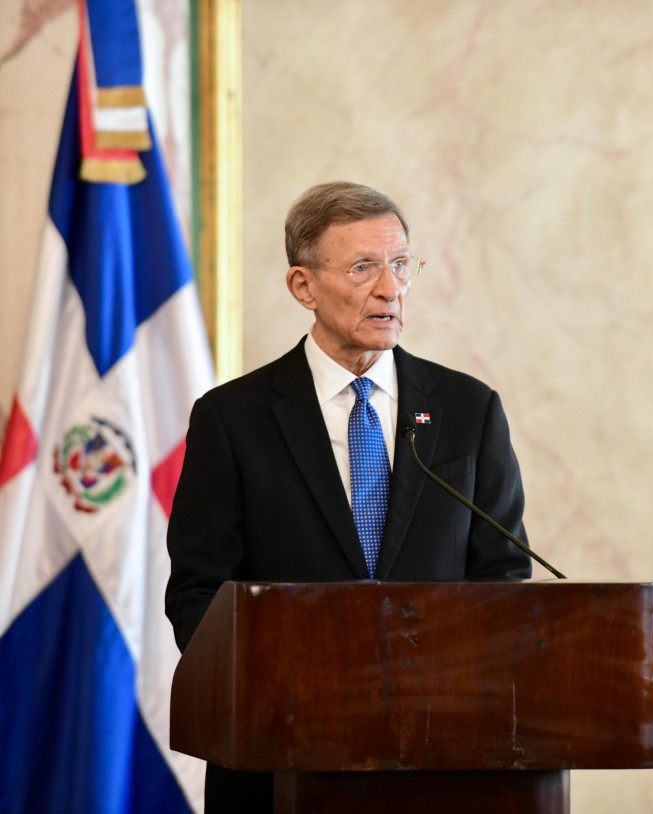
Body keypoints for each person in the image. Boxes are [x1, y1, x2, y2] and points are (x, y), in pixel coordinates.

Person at [165, 181, 532, 812]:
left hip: (438, 758)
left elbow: (501, 576)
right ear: (303, 286)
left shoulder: (468, 410)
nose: (390, 288)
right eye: (363, 268)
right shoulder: (233, 419)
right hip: (280, 756)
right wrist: (282, 690)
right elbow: (200, 594)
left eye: (399, 264)